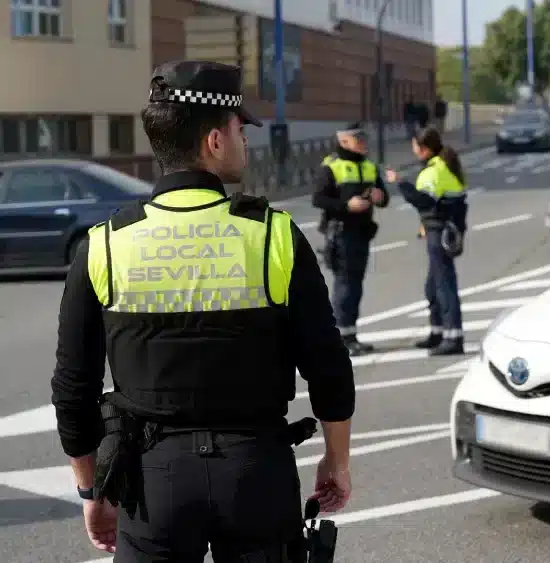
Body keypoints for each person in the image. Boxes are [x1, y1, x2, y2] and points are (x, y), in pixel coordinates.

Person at [50, 60, 355, 562]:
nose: (245, 141)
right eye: (240, 130)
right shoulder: (273, 235)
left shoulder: (104, 245)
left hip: (151, 482)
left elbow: (72, 388)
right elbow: (327, 364)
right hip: (257, 473)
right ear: (214, 141)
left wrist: (91, 491)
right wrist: (336, 461)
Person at [386, 127, 467, 356]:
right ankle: (438, 332)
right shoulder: (443, 166)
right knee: (433, 286)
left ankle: (453, 337)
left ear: (424, 148)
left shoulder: (434, 171)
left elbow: (424, 201)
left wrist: (400, 182)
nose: (412, 149)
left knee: (444, 285)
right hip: (441, 230)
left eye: (414, 146)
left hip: (440, 233)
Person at [312, 123, 390, 356]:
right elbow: (318, 199)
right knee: (345, 286)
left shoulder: (369, 166)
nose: (364, 142)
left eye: (364, 138)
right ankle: (341, 339)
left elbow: (384, 198)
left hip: (362, 233)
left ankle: (350, 336)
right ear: (343, 141)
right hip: (340, 233)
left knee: (355, 285)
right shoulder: (331, 166)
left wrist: (380, 196)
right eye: (358, 138)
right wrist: (347, 206)